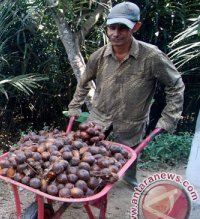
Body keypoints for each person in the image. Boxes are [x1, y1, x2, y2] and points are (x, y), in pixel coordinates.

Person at [68, 2, 185, 188]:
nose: (115, 33)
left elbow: (176, 85)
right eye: (112, 28)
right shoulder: (98, 56)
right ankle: (88, 184)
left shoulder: (152, 57)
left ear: (136, 26)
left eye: (123, 28)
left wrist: (168, 118)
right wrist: (75, 105)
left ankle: (129, 179)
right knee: (86, 153)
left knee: (130, 154)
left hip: (132, 119)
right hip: (100, 116)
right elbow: (83, 82)